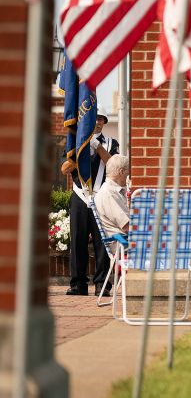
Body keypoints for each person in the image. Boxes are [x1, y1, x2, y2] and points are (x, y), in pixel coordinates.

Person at [64, 107, 119, 296]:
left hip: (102, 197)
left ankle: (102, 284)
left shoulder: (112, 142)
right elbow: (64, 169)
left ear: (104, 122)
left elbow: (113, 166)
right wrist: (80, 150)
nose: (97, 122)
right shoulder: (76, 142)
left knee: (102, 243)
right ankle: (78, 284)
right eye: (94, 119)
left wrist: (98, 146)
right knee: (77, 241)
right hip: (80, 196)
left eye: (101, 119)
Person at [94, 154, 130, 255]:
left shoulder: (113, 191)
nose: (130, 175)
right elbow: (127, 225)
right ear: (121, 172)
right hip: (123, 243)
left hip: (124, 240)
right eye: (129, 171)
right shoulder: (108, 193)